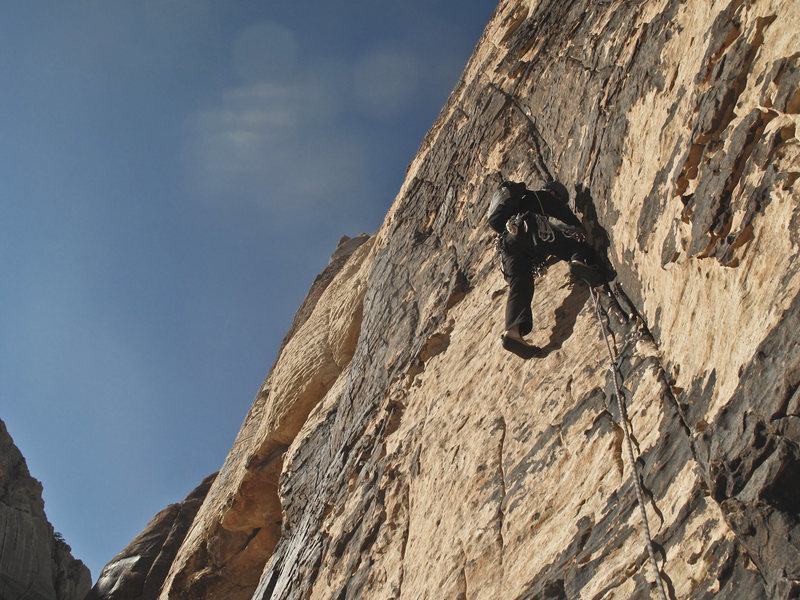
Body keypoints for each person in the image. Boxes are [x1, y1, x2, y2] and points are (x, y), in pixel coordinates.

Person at [488, 180, 604, 359]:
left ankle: (512, 333)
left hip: (508, 248)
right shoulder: (537, 197)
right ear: (553, 192)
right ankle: (578, 261)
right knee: (575, 244)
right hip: (528, 228)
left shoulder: (509, 213)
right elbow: (557, 209)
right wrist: (577, 226)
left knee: (521, 287)